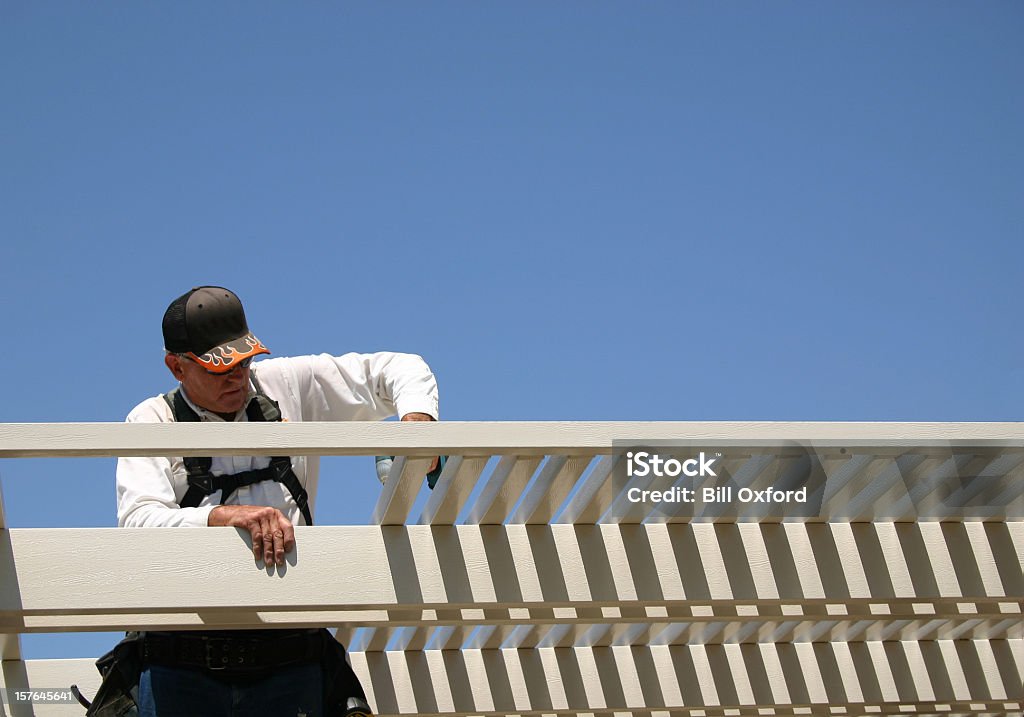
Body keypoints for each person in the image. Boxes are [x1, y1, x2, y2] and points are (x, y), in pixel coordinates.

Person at [91, 286, 439, 717]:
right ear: (176, 367)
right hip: (178, 666)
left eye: (243, 362)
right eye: (220, 370)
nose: (238, 378)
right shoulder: (150, 420)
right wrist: (219, 518)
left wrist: (418, 425)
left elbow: (400, 368)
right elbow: (139, 523)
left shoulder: (285, 385)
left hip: (291, 659)